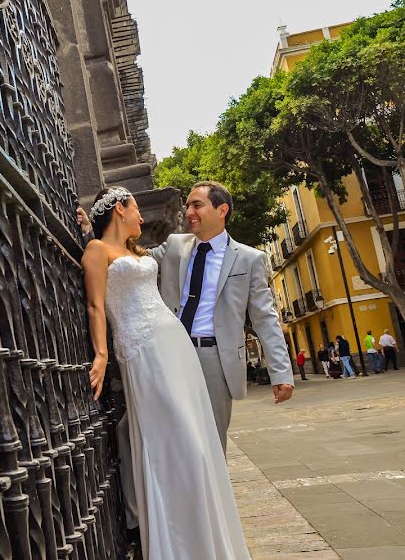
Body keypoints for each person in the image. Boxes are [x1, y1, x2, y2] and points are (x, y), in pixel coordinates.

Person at [82, 186, 250, 559]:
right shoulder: (97, 251)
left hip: (175, 346)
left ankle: (206, 538)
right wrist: (101, 354)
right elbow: (96, 306)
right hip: (142, 353)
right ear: (119, 210)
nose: (142, 218)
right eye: (136, 209)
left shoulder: (136, 251)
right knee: (172, 443)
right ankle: (179, 541)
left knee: (196, 442)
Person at [79, 181, 294, 450]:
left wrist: (281, 372)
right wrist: (93, 231)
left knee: (211, 442)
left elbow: (265, 318)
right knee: (170, 438)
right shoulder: (174, 245)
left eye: (197, 205)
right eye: (188, 205)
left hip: (214, 358)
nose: (188, 211)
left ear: (222, 210)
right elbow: (124, 260)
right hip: (167, 355)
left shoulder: (250, 259)